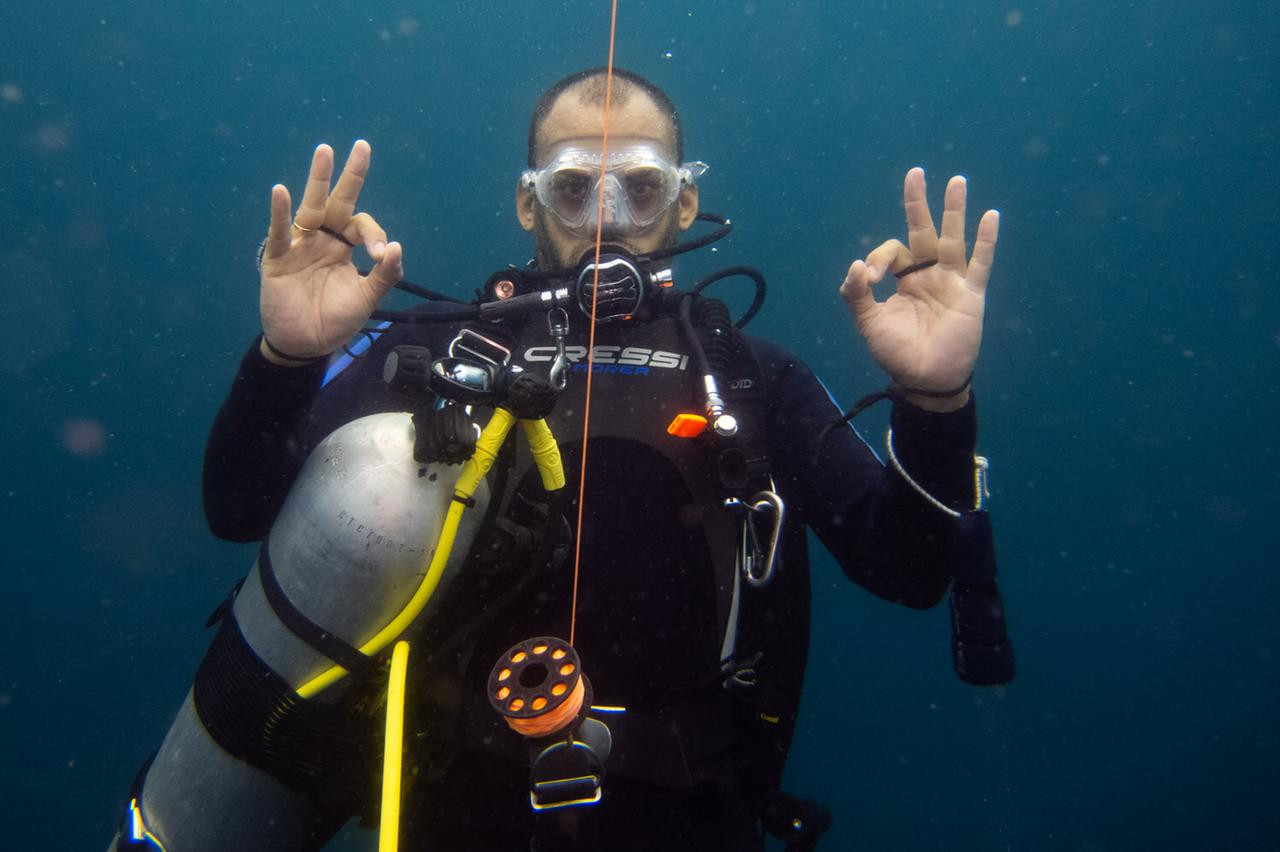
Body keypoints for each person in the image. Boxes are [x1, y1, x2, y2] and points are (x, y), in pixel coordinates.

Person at [126, 67, 1007, 852]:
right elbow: (236, 508)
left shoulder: (751, 377)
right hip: (443, 814)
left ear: (685, 204)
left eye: (642, 186)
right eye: (576, 187)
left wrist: (936, 402)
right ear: (529, 203)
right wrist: (287, 359)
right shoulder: (433, 357)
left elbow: (910, 569)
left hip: (697, 821)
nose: (607, 218)